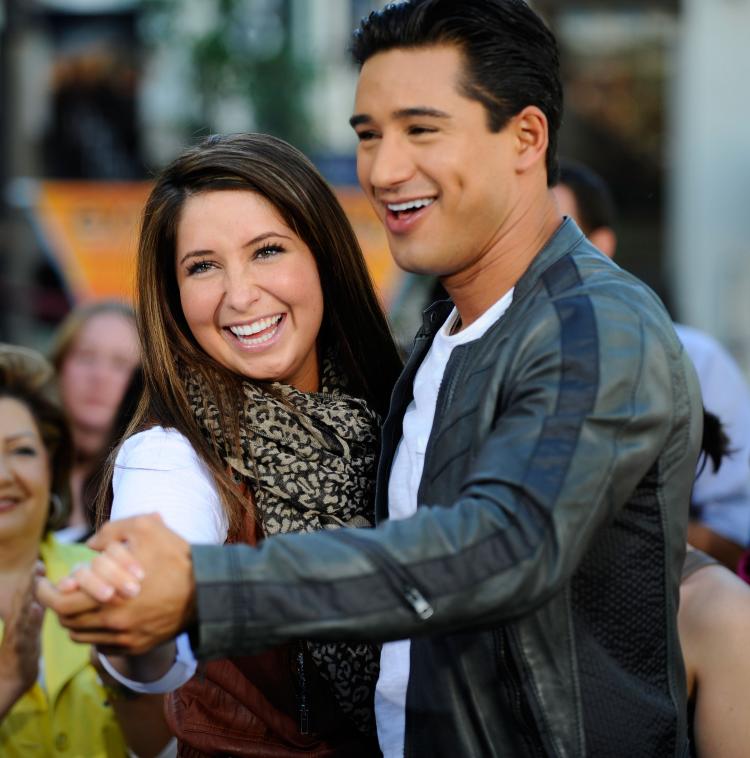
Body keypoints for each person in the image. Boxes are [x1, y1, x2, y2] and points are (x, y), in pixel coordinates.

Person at [40, 2, 703, 756]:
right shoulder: (433, 344)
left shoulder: (590, 326)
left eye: (421, 130)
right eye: (368, 135)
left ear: (526, 138)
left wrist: (203, 588)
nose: (384, 170)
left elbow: (507, 544)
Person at [56, 133, 402, 755]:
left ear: (324, 254)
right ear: (173, 293)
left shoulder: (402, 408)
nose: (239, 295)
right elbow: (156, 578)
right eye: (203, 266)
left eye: (267, 251)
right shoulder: (169, 454)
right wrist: (136, 619)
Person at [553, 159, 750, 567]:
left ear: (601, 245)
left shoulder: (694, 359)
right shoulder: (475, 356)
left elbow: (735, 531)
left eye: (553, 232)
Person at [0, 344, 172, 757]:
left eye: (21, 451)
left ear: (50, 462)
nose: (3, 475)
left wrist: (123, 673)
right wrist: (8, 678)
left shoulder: (111, 576)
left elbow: (163, 749)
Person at [50, 300, 141, 540]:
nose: (99, 376)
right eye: (86, 357)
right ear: (59, 366)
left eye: (120, 364)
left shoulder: (147, 478)